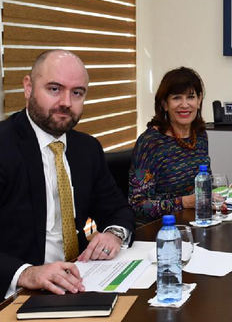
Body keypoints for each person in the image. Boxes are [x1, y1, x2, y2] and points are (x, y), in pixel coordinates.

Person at [0, 50, 134, 297]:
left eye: (77, 93)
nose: (66, 102)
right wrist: (27, 273)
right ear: (28, 88)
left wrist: (113, 235)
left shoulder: (87, 148)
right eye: (54, 89)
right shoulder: (4, 145)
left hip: (80, 282)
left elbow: (118, 209)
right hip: (16, 293)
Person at [128, 67, 232, 223]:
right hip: (158, 229)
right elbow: (137, 205)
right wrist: (185, 202)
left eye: (190, 97)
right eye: (177, 98)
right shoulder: (151, 142)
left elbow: (202, 188)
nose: (185, 105)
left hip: (194, 222)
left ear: (199, 100)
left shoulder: (199, 135)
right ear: (165, 104)